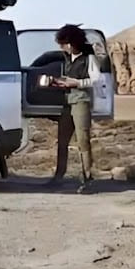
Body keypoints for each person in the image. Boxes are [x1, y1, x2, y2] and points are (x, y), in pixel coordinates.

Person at [49, 24, 102, 191]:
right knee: (62, 140)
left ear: (71, 43)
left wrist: (76, 83)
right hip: (68, 101)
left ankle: (88, 178)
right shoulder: (68, 58)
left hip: (81, 101)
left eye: (63, 43)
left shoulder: (89, 58)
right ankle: (59, 175)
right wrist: (60, 82)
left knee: (83, 141)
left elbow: (96, 80)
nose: (62, 47)